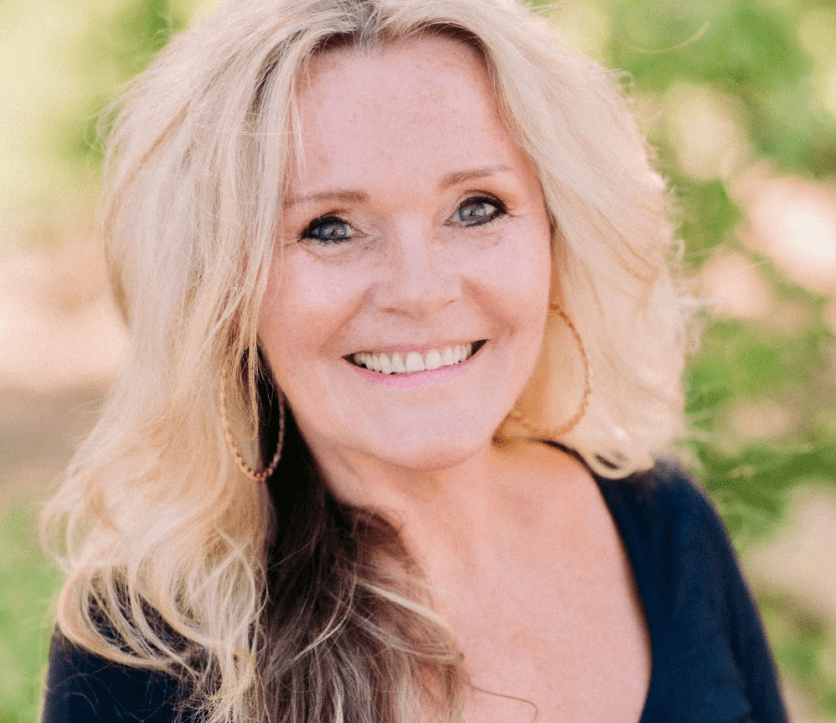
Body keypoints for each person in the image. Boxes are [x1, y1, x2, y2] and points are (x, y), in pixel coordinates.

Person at [40, 0, 789, 721]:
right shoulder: (146, 645)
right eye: (330, 227)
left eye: (476, 208)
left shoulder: (663, 525)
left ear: (557, 236)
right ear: (222, 290)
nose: (421, 290)